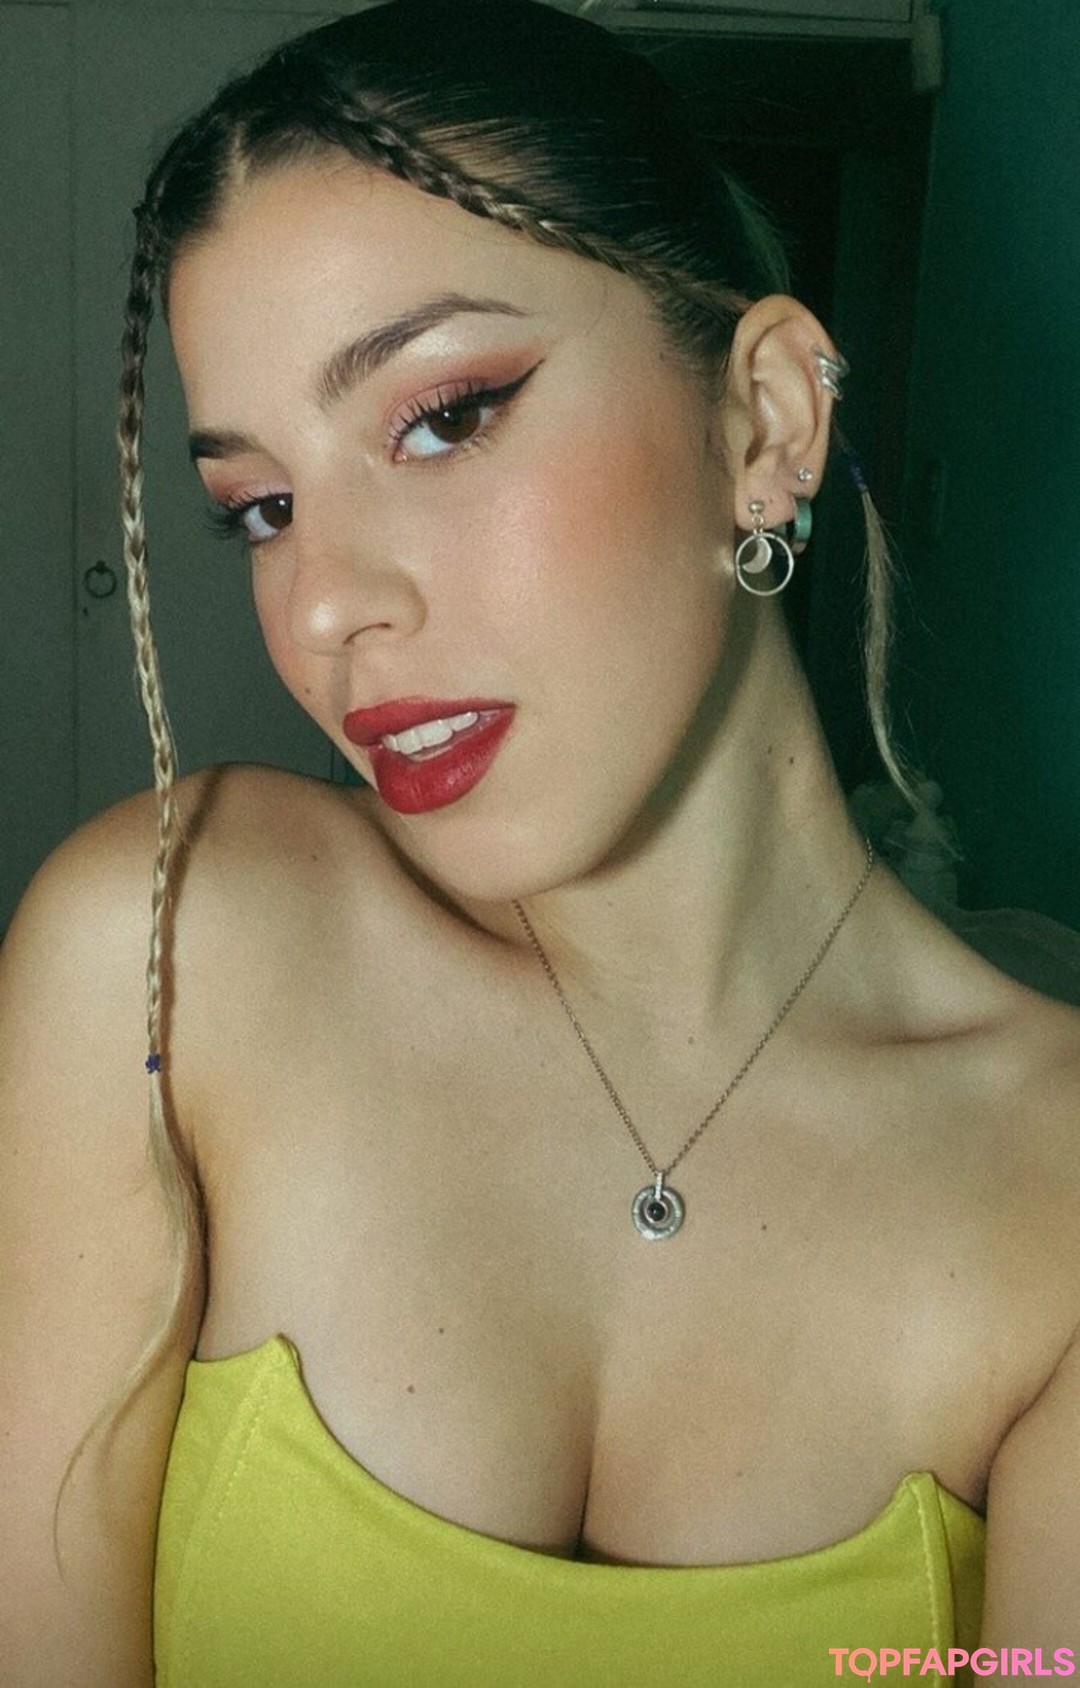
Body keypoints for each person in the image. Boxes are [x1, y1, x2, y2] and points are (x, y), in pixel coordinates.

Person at [2, 2, 1079, 1682]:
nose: (326, 605)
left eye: (444, 417)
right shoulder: (165, 954)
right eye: (261, 508)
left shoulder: (1052, 1186)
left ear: (766, 422)